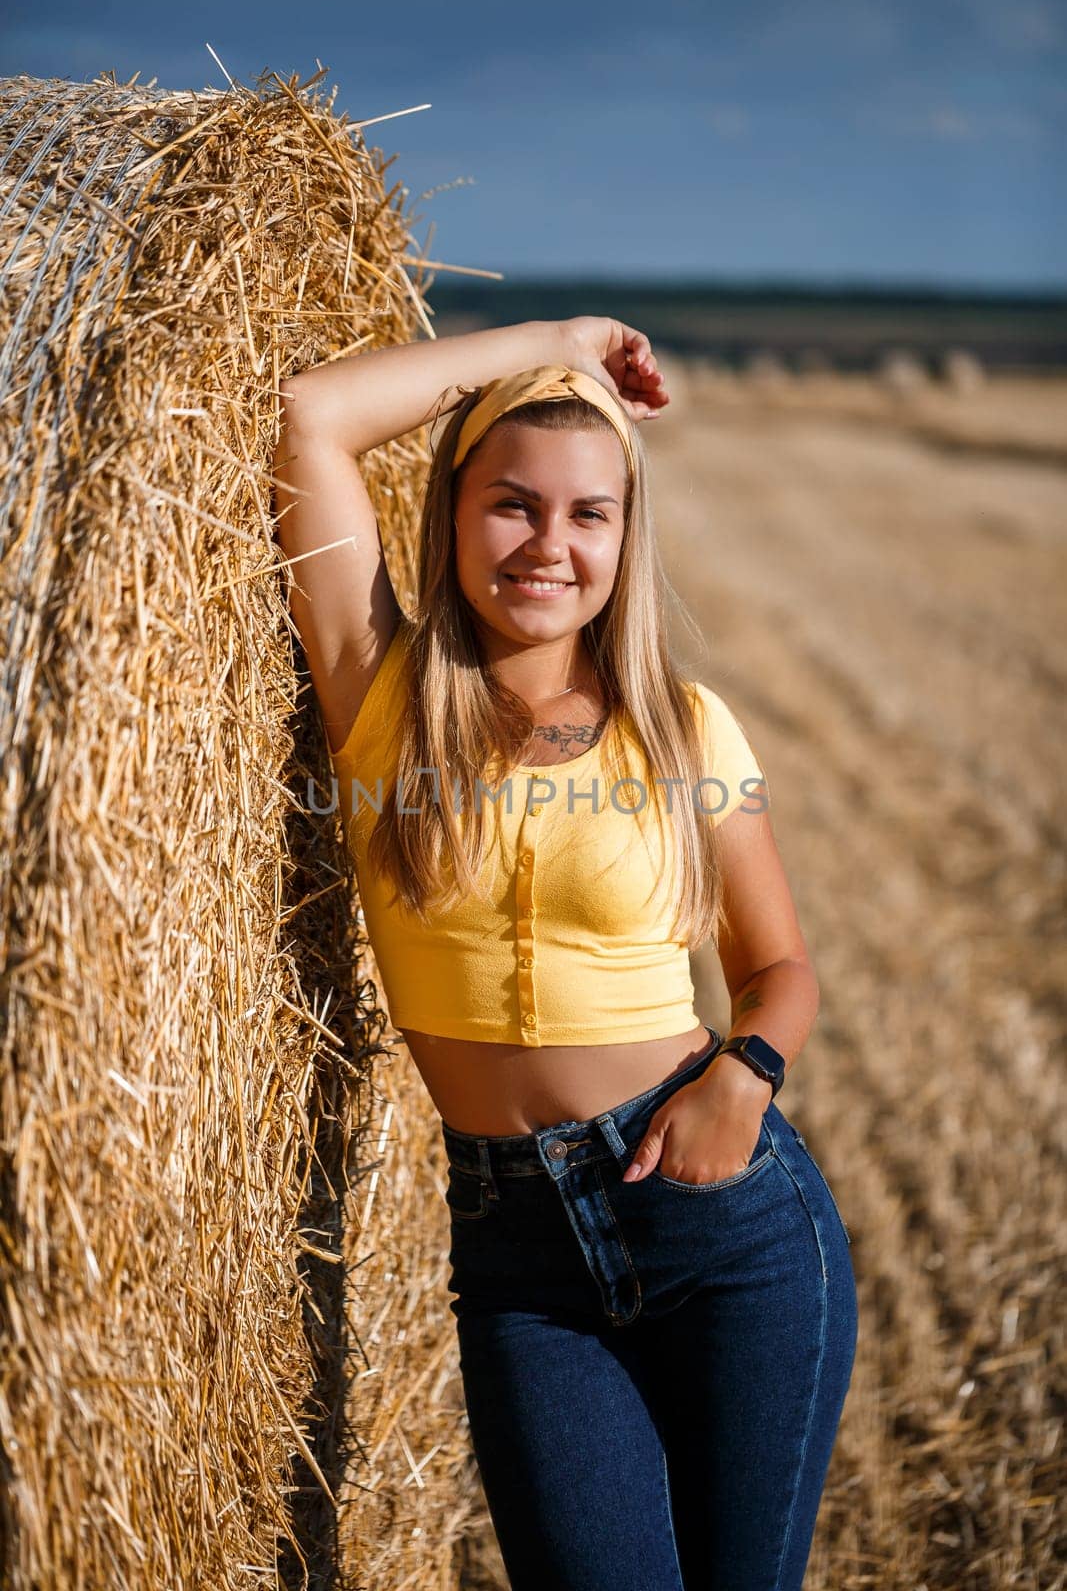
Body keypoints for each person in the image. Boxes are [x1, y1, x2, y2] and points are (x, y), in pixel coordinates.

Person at [273, 316, 858, 1591]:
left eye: (589, 514)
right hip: (517, 1253)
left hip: (727, 1227)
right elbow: (313, 418)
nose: (549, 544)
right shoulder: (379, 698)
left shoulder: (686, 730)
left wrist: (743, 1075)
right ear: (452, 512)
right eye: (511, 505)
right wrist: (558, 343)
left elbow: (781, 968)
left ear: (623, 541)